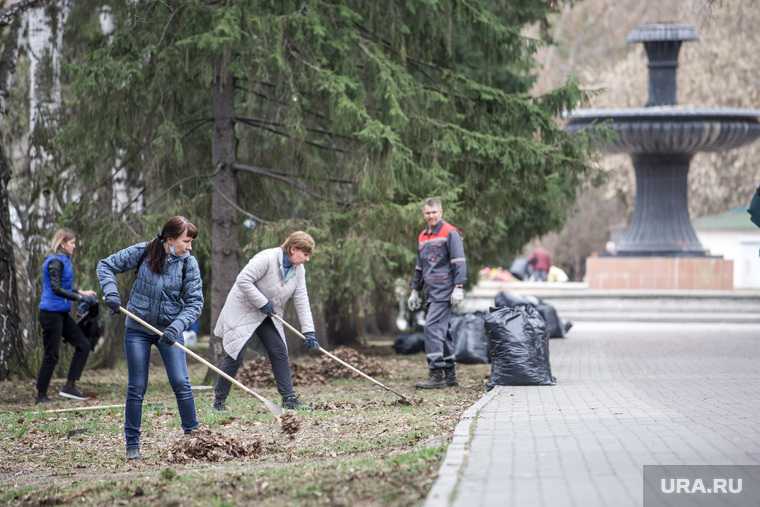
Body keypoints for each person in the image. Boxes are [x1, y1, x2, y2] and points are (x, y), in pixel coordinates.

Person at [96, 216, 203, 461]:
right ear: (170, 238)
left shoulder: (189, 264)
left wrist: (176, 326)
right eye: (186, 241)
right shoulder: (144, 251)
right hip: (138, 328)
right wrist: (111, 293)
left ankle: (194, 438)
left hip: (169, 331)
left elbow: (195, 303)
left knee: (181, 383)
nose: (189, 246)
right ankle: (132, 446)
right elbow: (105, 265)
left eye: (191, 242)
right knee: (136, 387)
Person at [213, 231, 319, 411]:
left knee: (279, 351)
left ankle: (289, 399)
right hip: (242, 311)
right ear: (293, 249)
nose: (307, 259)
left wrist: (309, 331)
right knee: (235, 354)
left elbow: (302, 298)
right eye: (305, 254)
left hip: (267, 315)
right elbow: (243, 280)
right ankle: (219, 401)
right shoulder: (266, 258)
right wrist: (262, 302)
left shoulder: (298, 270)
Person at [407, 198, 467, 389]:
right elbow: (419, 266)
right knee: (444, 331)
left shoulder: (450, 232)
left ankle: (436, 375)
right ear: (423, 214)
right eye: (427, 213)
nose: (431, 216)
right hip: (430, 291)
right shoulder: (423, 236)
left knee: (432, 328)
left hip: (445, 290)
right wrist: (414, 290)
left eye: (434, 212)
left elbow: (459, 261)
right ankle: (450, 375)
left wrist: (458, 286)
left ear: (440, 212)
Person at [36, 228, 99, 403]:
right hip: (50, 314)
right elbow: (56, 289)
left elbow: (64, 286)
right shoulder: (54, 262)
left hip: (61, 314)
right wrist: (79, 298)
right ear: (63, 243)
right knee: (52, 354)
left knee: (84, 345)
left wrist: (81, 292)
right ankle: (41, 395)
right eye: (72, 243)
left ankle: (70, 386)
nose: (74, 246)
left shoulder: (64, 260)